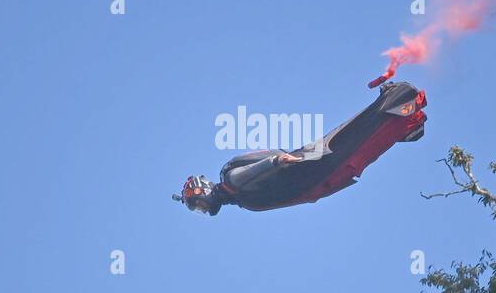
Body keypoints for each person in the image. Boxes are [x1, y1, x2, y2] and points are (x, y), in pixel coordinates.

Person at [175, 81, 427, 215]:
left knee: (353, 139)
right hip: (310, 177)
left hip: (305, 170)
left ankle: (402, 108)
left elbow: (251, 172)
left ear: (203, 190)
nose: (203, 208)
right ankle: (403, 117)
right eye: (198, 209)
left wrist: (278, 162)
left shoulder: (231, 180)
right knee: (354, 143)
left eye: (199, 203)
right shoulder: (242, 199)